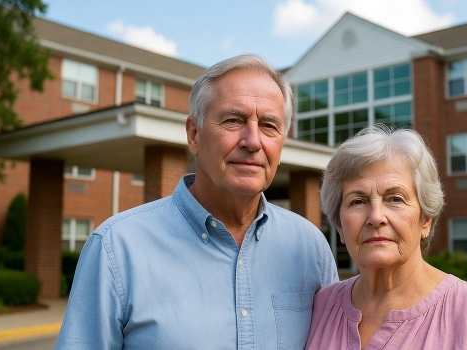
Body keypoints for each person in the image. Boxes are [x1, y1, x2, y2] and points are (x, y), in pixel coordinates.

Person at [55, 54, 338, 349]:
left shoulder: (311, 249)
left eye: (269, 125)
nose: (253, 141)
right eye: (233, 120)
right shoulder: (116, 249)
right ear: (193, 135)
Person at [305, 125, 467, 350]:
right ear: (339, 226)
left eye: (395, 199)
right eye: (357, 201)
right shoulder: (321, 306)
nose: (376, 217)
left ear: (426, 219)